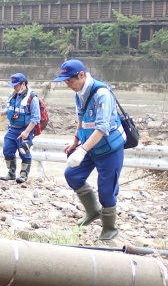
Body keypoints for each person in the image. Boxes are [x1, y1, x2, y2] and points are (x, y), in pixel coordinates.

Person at [53, 59, 126, 241]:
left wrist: (82, 150)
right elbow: (81, 119)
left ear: (81, 75)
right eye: (65, 82)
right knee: (72, 175)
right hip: (89, 146)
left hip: (109, 148)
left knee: (106, 190)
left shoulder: (102, 94)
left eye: (69, 81)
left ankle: (109, 228)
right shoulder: (79, 93)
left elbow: (102, 128)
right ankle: (93, 211)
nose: (68, 85)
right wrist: (75, 141)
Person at [0, 72, 40, 183]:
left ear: (23, 84)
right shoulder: (12, 95)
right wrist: (2, 113)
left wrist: (27, 132)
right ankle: (11, 173)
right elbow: (9, 109)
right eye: (13, 85)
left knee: (24, 152)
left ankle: (23, 175)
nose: (14, 87)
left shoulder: (32, 98)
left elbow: (36, 118)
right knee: (7, 150)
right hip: (13, 128)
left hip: (26, 129)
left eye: (16, 85)